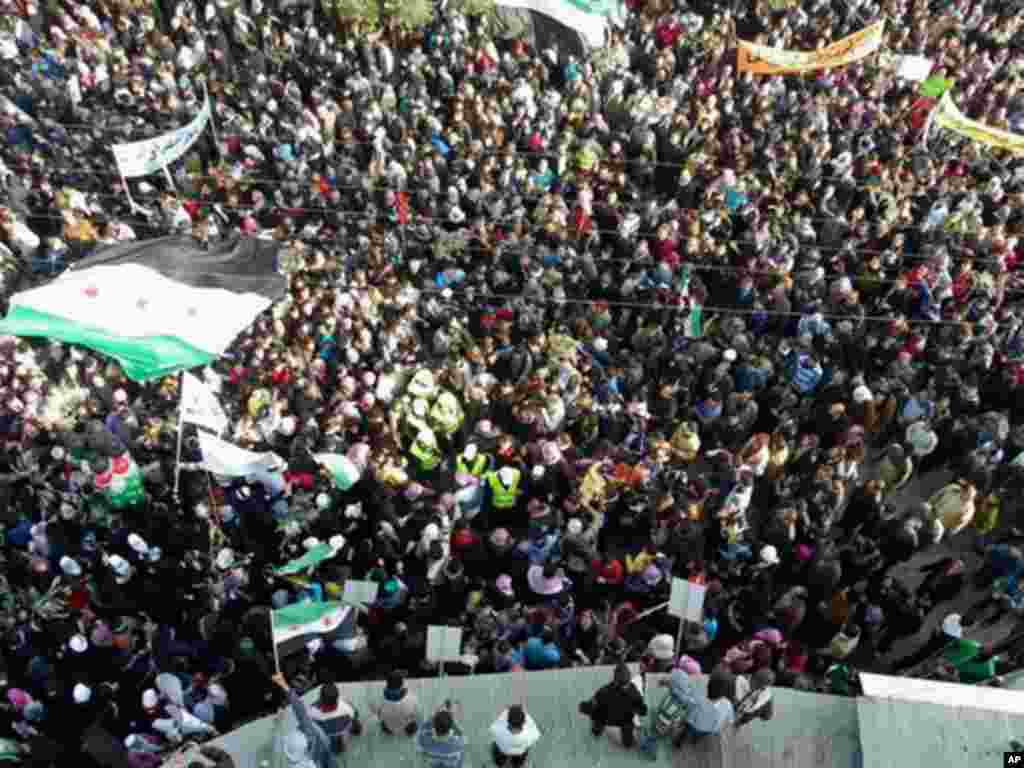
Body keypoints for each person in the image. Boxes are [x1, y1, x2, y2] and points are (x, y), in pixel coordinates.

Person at [271, 674, 334, 768]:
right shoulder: (316, 742)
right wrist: (284, 685)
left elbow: (301, 712)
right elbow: (301, 713)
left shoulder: (312, 741)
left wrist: (283, 685)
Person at [578, 663, 648, 748]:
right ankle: (597, 730)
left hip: (621, 717)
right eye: (623, 684)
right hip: (611, 716)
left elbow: (638, 702)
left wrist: (641, 708)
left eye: (626, 684)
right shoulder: (607, 691)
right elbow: (595, 701)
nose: (624, 687)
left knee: (602, 716)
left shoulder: (611, 690)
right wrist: (587, 706)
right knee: (599, 715)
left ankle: (627, 741)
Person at [308, 680, 362, 752]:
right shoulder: (345, 706)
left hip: (329, 734)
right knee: (355, 722)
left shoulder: (313, 712)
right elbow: (356, 714)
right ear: (337, 698)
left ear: (321, 698)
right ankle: (357, 731)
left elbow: (310, 724)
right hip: (343, 728)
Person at [416, 702, 466, 768]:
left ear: (433, 725)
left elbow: (422, 727)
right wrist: (453, 721)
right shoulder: (458, 744)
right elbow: (460, 734)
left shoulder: (422, 739)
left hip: (433, 762)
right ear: (451, 728)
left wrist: (433, 715)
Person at [375, 671, 420, 737]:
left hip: (389, 729)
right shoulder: (412, 698)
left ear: (387, 684)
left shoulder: (379, 699)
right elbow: (415, 715)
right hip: (406, 729)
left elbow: (379, 716)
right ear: (402, 685)